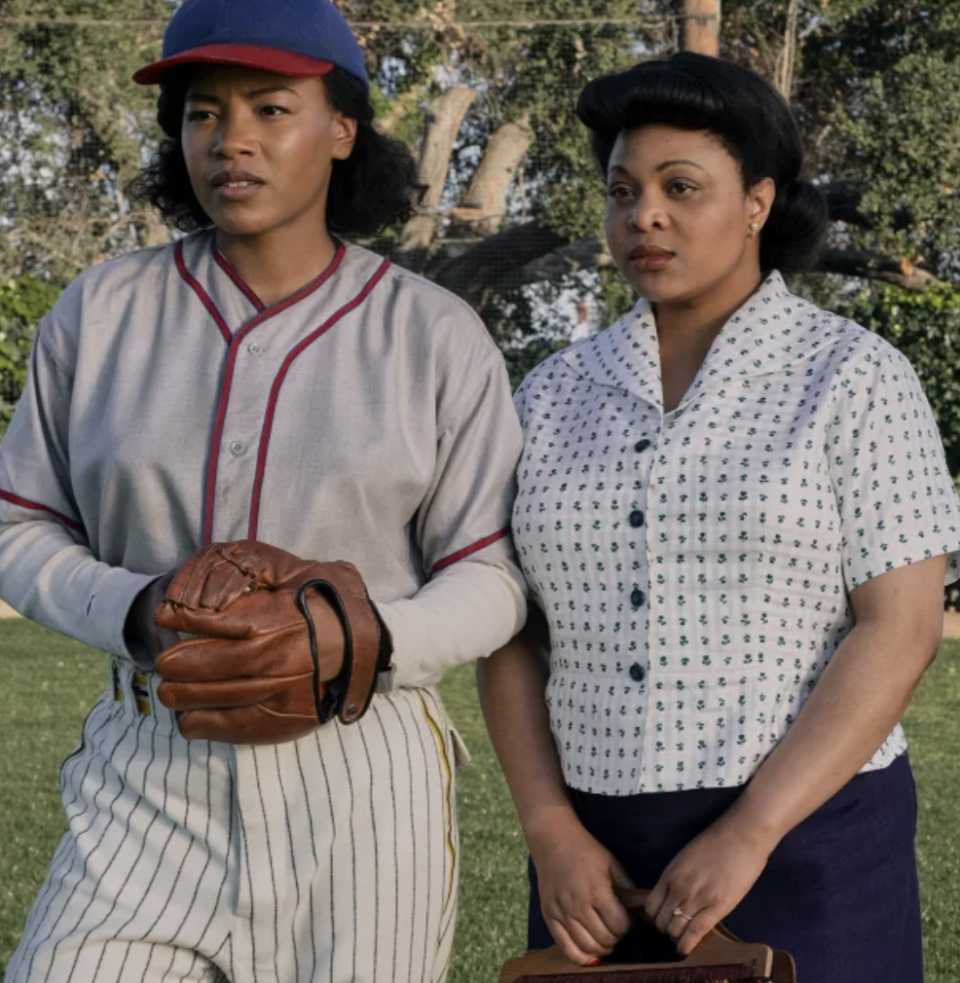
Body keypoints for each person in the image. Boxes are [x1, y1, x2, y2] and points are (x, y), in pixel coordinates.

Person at [0, 0, 526, 980]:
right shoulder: (103, 310)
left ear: (340, 130)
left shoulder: (431, 331)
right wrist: (135, 604)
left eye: (270, 107)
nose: (230, 138)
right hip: (151, 759)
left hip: (360, 768)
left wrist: (356, 633)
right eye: (204, 111)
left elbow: (489, 573)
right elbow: (20, 521)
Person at [478, 52, 960, 983]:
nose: (643, 215)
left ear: (758, 203)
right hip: (595, 862)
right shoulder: (550, 395)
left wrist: (752, 829)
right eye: (623, 190)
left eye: (680, 187)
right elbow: (512, 634)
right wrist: (550, 833)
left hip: (809, 835)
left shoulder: (853, 378)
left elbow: (899, 629)